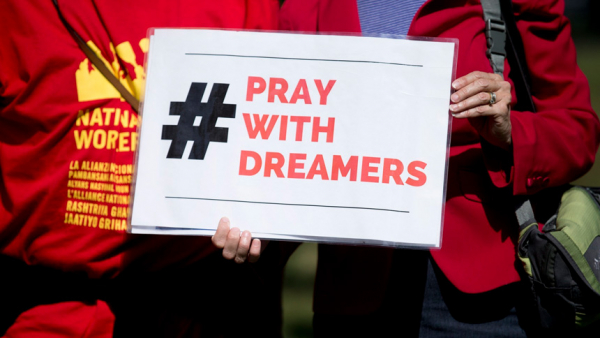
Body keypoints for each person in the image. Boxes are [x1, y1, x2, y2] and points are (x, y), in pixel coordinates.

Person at [279, 0, 600, 336]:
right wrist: (251, 219)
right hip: (354, 285)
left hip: (481, 297)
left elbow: (577, 129)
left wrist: (510, 132)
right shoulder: (308, 4)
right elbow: (278, 123)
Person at [0, 0, 288, 337]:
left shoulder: (247, 5)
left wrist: (268, 209)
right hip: (43, 306)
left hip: (197, 301)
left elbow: (275, 123)